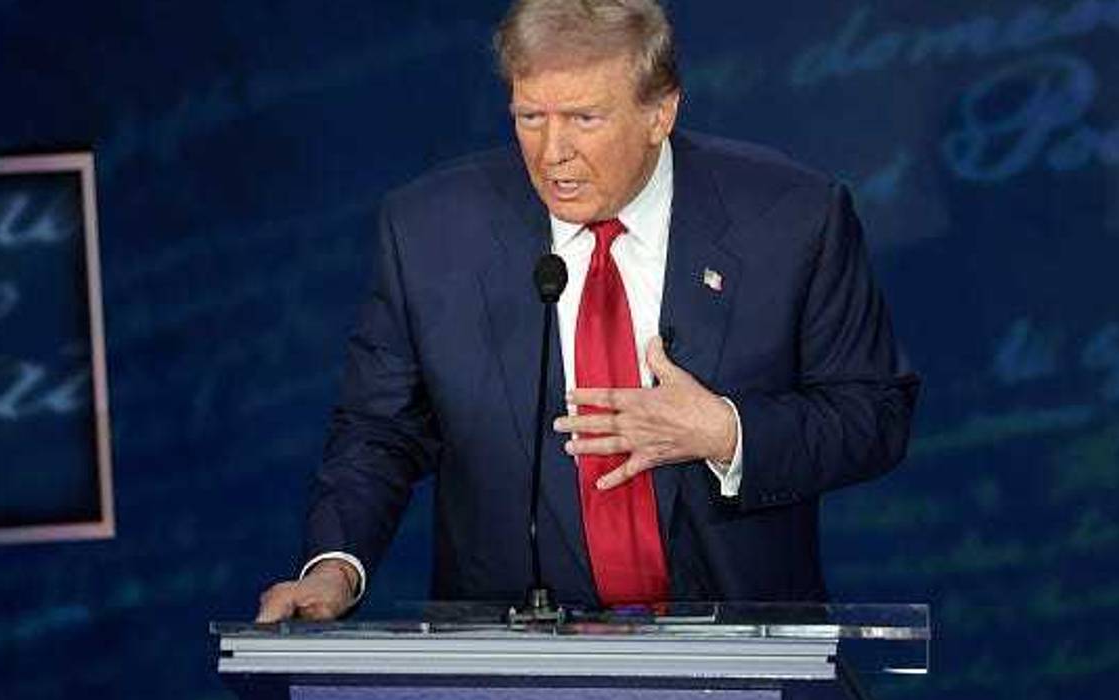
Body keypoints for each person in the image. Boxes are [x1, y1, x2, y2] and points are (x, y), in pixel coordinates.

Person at [256, 0, 919, 623]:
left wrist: (727, 431)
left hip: (737, 653)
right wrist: (334, 568)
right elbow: (379, 430)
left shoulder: (790, 218)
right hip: (511, 664)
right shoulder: (430, 231)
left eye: (583, 118)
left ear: (659, 112)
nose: (552, 154)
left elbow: (873, 414)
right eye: (529, 118)